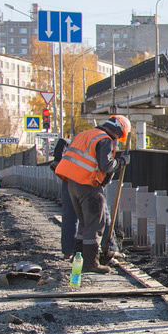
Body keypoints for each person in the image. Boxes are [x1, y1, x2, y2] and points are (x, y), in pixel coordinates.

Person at [55, 115, 131, 273]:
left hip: (72, 183)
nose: (117, 139)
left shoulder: (85, 134)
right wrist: (122, 161)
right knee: (95, 225)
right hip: (88, 184)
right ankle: (91, 263)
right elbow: (107, 165)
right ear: (118, 130)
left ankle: (79, 258)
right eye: (119, 136)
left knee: (84, 224)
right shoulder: (104, 140)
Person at [51, 137, 122, 263]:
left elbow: (58, 158)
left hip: (69, 180)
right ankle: (106, 250)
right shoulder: (101, 145)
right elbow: (106, 169)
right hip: (86, 182)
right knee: (100, 217)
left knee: (71, 216)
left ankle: (70, 251)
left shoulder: (75, 144)